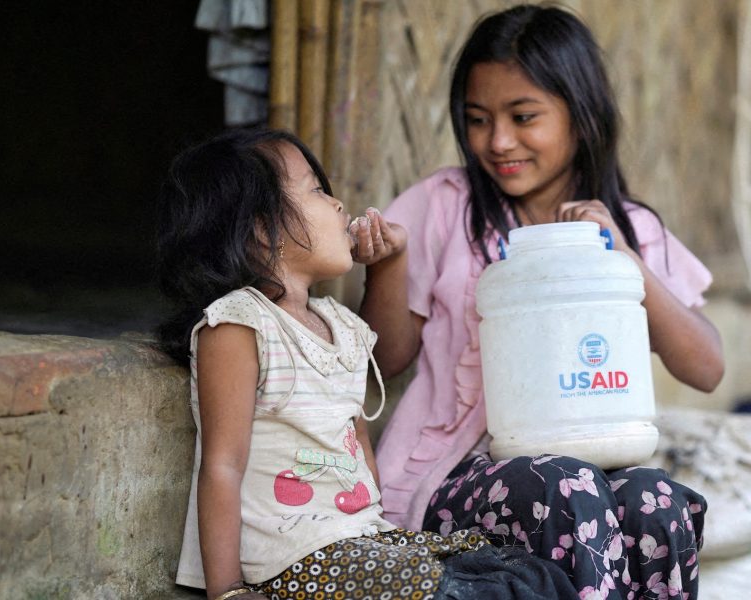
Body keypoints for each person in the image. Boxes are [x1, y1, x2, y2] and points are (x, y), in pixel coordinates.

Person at [363, 5, 725, 599]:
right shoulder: (446, 206)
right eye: (478, 119)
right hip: (457, 478)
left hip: (589, 476)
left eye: (523, 116)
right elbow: (388, 357)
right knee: (572, 484)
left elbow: (707, 368)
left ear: (581, 117)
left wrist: (624, 261)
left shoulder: (629, 228)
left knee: (657, 498)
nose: (499, 141)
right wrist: (390, 264)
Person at [156, 129, 574, 600]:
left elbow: (357, 443)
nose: (337, 205)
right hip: (293, 557)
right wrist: (227, 590)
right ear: (259, 227)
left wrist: (390, 260)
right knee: (469, 593)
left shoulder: (341, 325)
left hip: (360, 540)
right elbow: (222, 465)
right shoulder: (239, 323)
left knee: (525, 576)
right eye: (316, 190)